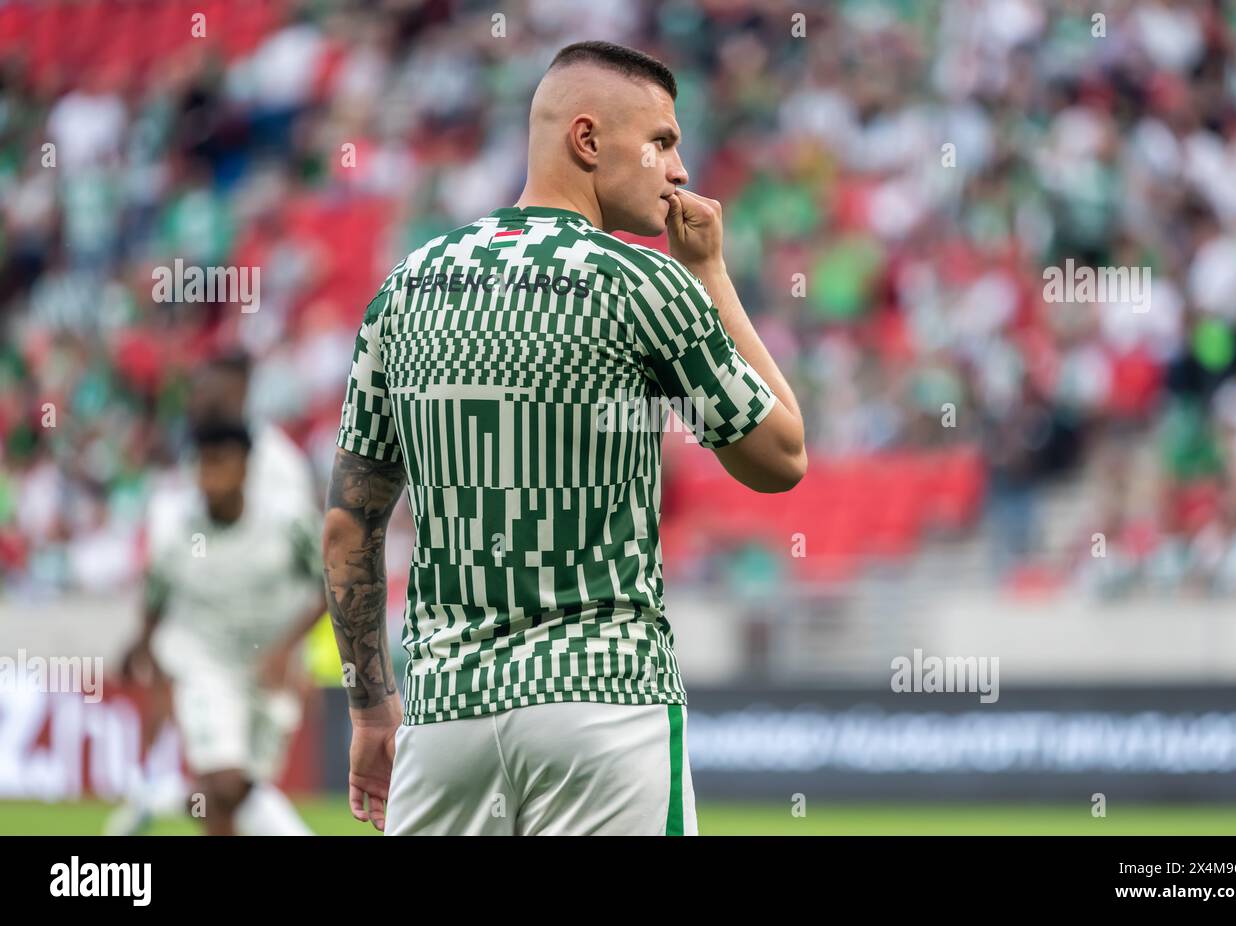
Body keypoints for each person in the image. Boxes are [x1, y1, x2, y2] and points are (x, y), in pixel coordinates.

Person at [323, 40, 806, 836]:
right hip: (605, 707)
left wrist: (373, 711)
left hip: (446, 722)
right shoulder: (645, 284)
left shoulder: (403, 291)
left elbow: (349, 524)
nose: (679, 170)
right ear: (587, 140)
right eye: (662, 142)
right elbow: (781, 457)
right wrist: (711, 274)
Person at [122, 420, 325, 836]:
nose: (208, 474)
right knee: (224, 781)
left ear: (247, 467)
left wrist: (290, 651)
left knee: (235, 793)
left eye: (220, 462)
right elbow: (155, 599)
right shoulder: (179, 533)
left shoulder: (288, 525)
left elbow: (333, 586)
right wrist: (140, 649)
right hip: (204, 661)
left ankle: (163, 798)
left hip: (266, 664)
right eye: (201, 463)